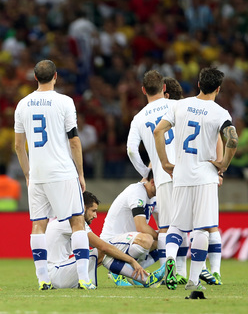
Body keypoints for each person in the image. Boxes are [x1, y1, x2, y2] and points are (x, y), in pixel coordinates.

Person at [154, 67, 238, 290]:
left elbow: (157, 132)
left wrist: (164, 162)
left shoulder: (180, 105)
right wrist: (224, 165)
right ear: (218, 89)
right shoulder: (220, 112)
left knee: (177, 226)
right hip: (205, 176)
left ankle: (170, 259)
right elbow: (233, 139)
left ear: (199, 84)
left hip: (180, 174)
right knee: (202, 228)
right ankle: (193, 280)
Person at [14, 60, 93, 290]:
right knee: (77, 222)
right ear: (56, 76)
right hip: (62, 172)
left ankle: (43, 279)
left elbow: (19, 146)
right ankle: (83, 278)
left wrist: (28, 174)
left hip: (38, 174)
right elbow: (74, 141)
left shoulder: (22, 104)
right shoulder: (65, 102)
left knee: (38, 225)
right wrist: (80, 173)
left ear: (35, 78)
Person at [126, 71, 187, 275]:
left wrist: (147, 172)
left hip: (162, 176)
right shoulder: (177, 105)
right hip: (186, 171)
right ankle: (183, 273)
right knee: (186, 224)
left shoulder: (138, 118)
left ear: (143, 90)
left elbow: (131, 150)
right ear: (164, 88)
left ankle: (165, 270)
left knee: (165, 227)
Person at [45, 191, 160, 289]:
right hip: (58, 274)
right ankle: (146, 279)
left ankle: (143, 278)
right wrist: (131, 261)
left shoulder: (64, 218)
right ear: (83, 208)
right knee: (103, 252)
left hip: (54, 273)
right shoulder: (72, 221)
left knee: (102, 252)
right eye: (93, 210)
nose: (95, 215)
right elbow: (103, 247)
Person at [99, 170, 162, 285]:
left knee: (164, 241)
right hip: (111, 241)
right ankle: (116, 270)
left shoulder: (154, 197)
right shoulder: (137, 192)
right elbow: (141, 227)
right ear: (152, 182)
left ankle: (133, 273)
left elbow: (162, 225)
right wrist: (160, 236)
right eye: (162, 186)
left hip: (128, 241)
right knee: (147, 239)